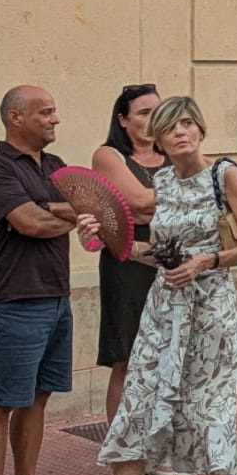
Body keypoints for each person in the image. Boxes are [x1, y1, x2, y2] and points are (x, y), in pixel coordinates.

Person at [65, 97, 237, 475]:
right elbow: (149, 254)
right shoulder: (159, 184)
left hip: (211, 314)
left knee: (206, 422)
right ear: (155, 139)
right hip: (162, 315)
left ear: (200, 130)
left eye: (187, 123)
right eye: (170, 127)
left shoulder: (224, 176)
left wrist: (208, 261)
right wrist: (101, 238)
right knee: (132, 420)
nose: (181, 133)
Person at [0, 86, 100, 475]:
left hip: (56, 297)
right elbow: (31, 223)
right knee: (2, 401)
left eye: (54, 112)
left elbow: (83, 215)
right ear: (15, 117)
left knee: (39, 397)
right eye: (45, 113)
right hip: (13, 301)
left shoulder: (57, 168)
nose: (54, 120)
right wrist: (70, 213)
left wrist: (66, 211)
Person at [91, 84, 164, 430]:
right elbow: (137, 203)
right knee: (129, 357)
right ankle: (125, 446)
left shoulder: (174, 155)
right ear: (123, 119)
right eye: (144, 112)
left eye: (157, 111)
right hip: (129, 265)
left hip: (172, 264)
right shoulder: (109, 156)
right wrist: (187, 196)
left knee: (167, 356)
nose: (153, 119)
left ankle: (159, 441)